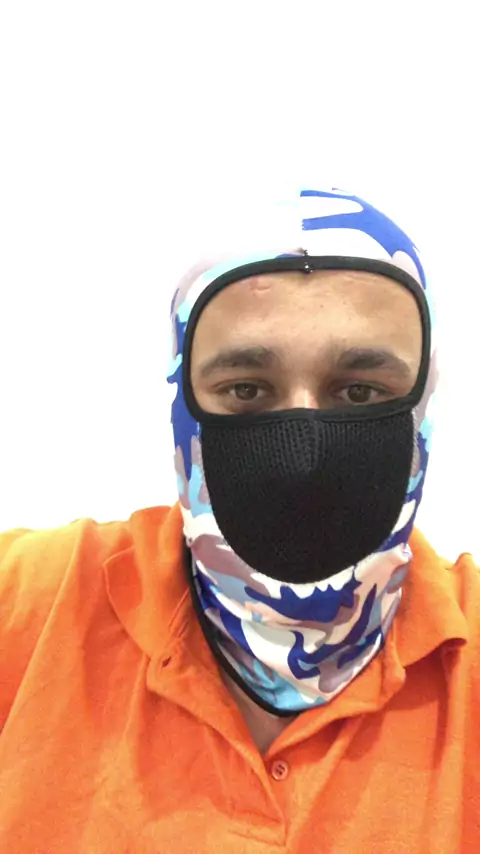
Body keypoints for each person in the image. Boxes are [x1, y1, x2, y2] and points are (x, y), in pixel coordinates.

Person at [0, 186, 478, 853]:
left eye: (361, 391)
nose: (304, 455)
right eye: (246, 389)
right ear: (183, 402)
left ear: (421, 406)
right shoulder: (28, 605)